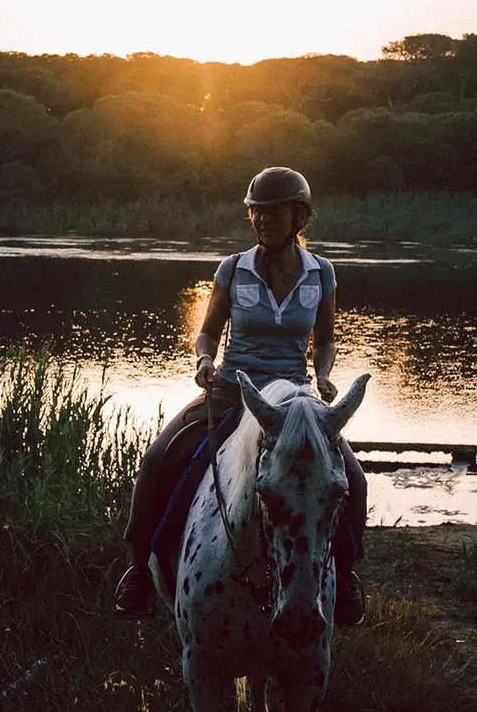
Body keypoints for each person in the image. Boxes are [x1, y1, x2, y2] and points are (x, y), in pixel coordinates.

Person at [114, 167, 367, 625]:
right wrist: (204, 362)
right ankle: (137, 571)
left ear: (299, 218)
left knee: (352, 476)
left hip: (293, 397)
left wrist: (324, 373)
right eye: (257, 212)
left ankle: (346, 575)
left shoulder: (321, 273)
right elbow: (208, 333)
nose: (264, 220)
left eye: (274, 212)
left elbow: (326, 338)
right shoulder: (233, 269)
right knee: (158, 461)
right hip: (233, 391)